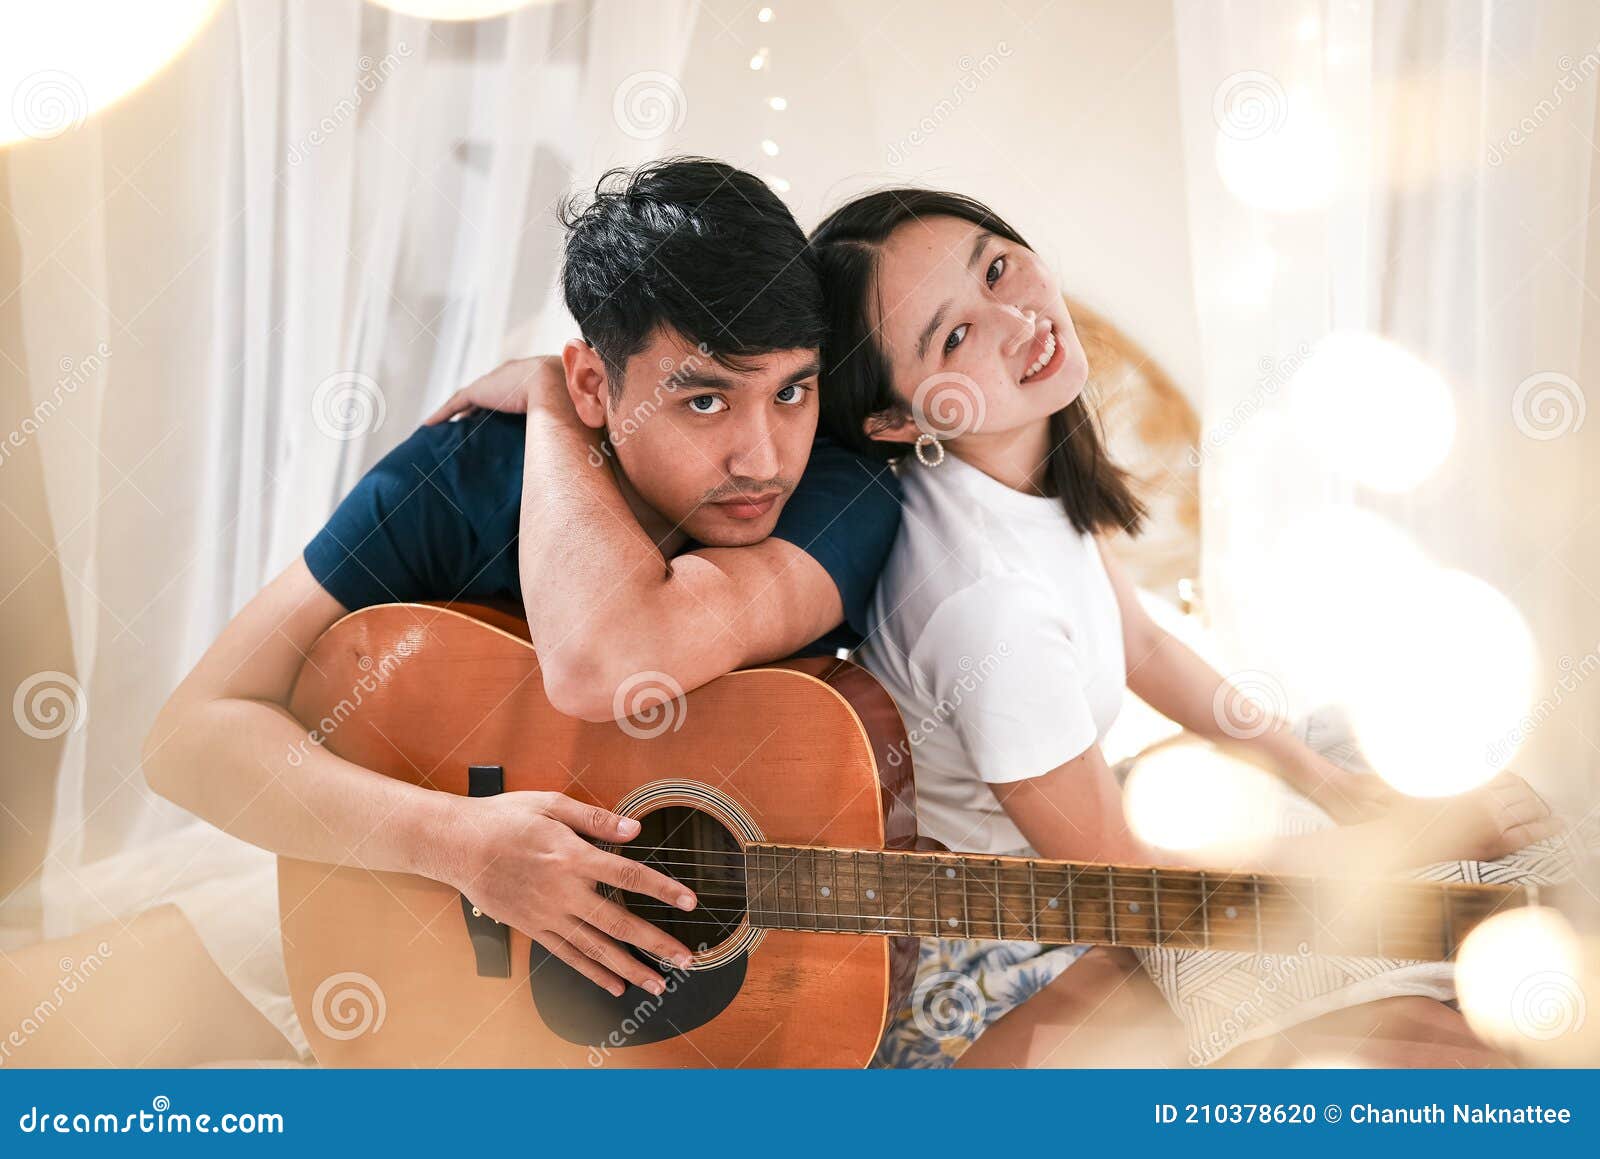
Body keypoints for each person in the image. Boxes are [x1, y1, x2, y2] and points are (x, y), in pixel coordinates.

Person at [807, 187, 1562, 1067]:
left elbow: (1147, 644)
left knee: (1385, 761)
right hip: (1002, 950)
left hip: (1076, 864)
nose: (1016, 319)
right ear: (899, 419)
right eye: (955, 336)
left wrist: (1324, 781)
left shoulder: (1014, 471)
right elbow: (1128, 887)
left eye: (998, 267)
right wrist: (1402, 843)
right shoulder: (989, 608)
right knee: (1424, 1019)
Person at [142, 158, 901, 1002]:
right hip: (430, 979)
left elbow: (608, 661)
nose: (763, 459)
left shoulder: (842, 491)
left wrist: (547, 398)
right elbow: (189, 739)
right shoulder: (464, 472)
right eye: (706, 402)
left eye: (792, 390)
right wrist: (458, 845)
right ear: (593, 382)